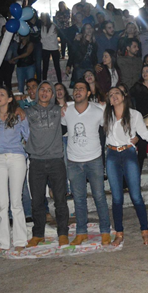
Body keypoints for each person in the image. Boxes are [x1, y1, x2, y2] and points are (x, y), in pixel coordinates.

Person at [103, 86, 148, 247]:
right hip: (111, 155)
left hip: (129, 154)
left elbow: (145, 135)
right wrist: (64, 105)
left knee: (136, 195)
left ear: (124, 96)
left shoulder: (134, 115)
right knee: (116, 198)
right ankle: (119, 233)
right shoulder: (105, 113)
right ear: (109, 100)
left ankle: (145, 230)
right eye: (111, 95)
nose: (114, 96)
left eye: (117, 93)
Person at [62, 80, 112, 246]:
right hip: (73, 161)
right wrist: (65, 105)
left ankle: (105, 231)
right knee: (79, 198)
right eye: (75, 88)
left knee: (99, 196)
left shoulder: (98, 110)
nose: (78, 91)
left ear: (88, 93)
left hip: (94, 160)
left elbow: (109, 125)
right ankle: (81, 232)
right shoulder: (66, 111)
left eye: (81, 89)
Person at [25, 81, 70, 247]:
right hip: (36, 161)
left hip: (56, 160)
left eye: (49, 90)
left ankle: (63, 233)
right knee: (37, 200)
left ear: (53, 94)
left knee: (60, 200)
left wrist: (66, 105)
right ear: (37, 92)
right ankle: (38, 234)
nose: (45, 92)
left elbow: (79, 106)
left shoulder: (59, 111)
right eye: (42, 89)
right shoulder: (28, 112)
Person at [0, 87, 29, 251]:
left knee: (16, 201)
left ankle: (20, 240)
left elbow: (28, 136)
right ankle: (3, 241)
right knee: (2, 203)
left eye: (2, 95)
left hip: (16, 158)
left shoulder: (19, 116)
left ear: (10, 99)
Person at [41, 13, 62, 83]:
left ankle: (60, 82)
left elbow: (52, 38)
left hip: (54, 48)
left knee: (57, 66)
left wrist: (44, 40)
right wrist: (45, 39)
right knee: (45, 66)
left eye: (44, 17)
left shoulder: (53, 26)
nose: (43, 19)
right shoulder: (42, 27)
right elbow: (43, 37)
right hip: (45, 48)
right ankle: (44, 81)